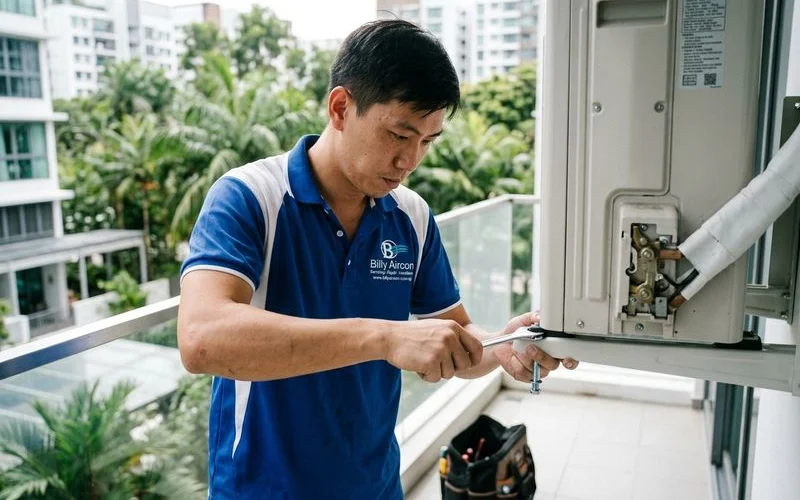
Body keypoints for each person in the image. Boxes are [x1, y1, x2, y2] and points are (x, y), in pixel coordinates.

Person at [177, 19, 577, 500]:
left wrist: (505, 345)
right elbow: (201, 340)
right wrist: (386, 337)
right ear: (341, 107)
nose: (411, 161)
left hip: (377, 485)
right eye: (398, 135)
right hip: (261, 490)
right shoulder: (249, 197)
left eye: (427, 142)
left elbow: (453, 334)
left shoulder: (411, 215)